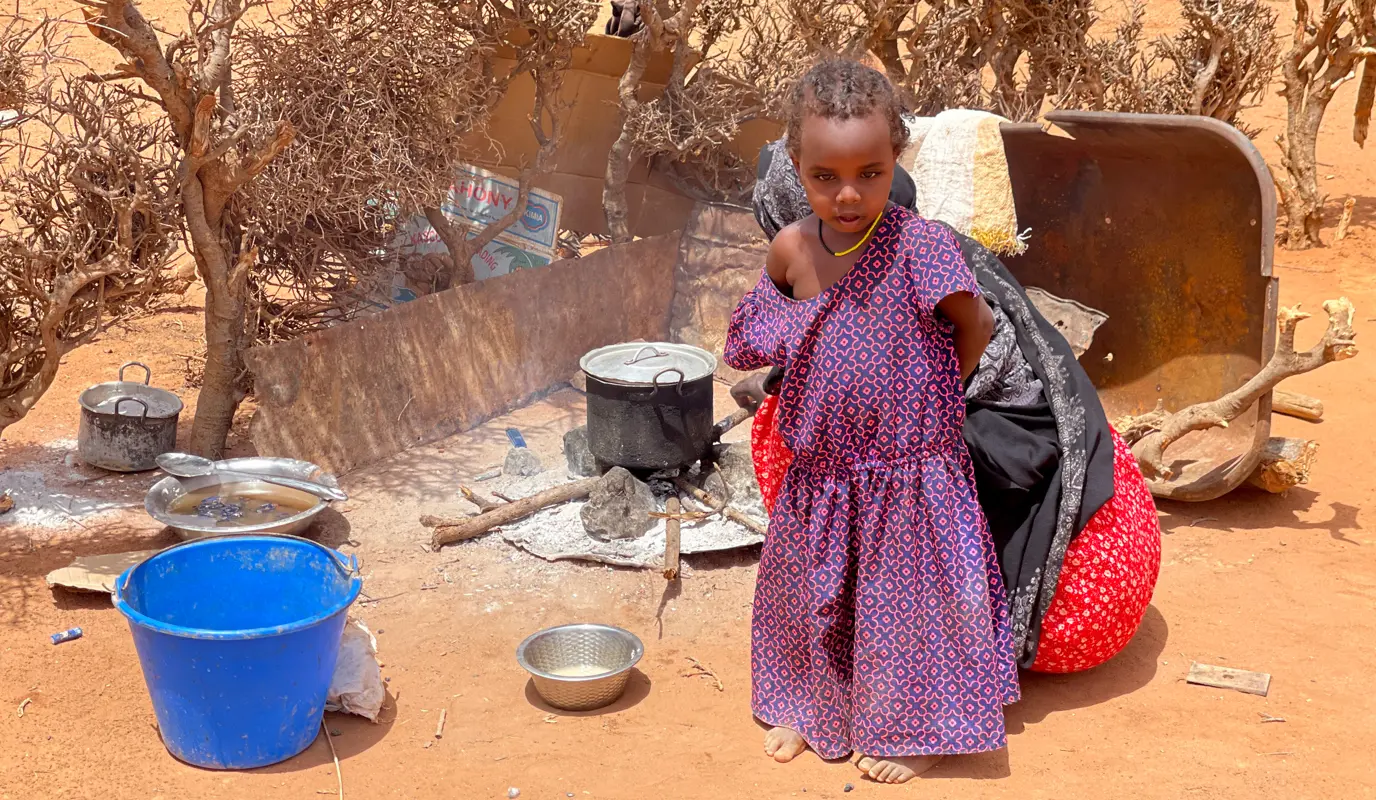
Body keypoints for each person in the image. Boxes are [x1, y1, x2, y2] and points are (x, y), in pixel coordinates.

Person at [736, 96, 1161, 679]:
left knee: (791, 433)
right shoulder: (939, 251)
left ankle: (909, 651)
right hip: (1115, 552)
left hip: (1069, 615)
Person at [723, 59, 1018, 785]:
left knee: (905, 611)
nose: (849, 194)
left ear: (897, 162)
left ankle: (912, 730)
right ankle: (806, 705)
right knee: (812, 594)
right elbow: (760, 336)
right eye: (825, 177)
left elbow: (972, 324)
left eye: (871, 173)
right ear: (796, 165)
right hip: (822, 473)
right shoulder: (791, 249)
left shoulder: (922, 247)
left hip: (909, 472)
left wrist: (936, 405)